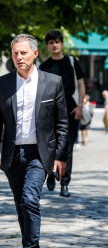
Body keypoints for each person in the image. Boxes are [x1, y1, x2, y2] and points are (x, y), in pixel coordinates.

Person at [0, 34, 68, 248]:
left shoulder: (52, 82)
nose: (19, 58)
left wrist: (60, 157)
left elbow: (62, 123)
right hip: (13, 155)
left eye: (23, 53)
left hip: (39, 154)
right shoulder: (3, 84)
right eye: (15, 54)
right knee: (21, 207)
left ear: (34, 54)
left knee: (30, 200)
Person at [39, 30, 85, 197]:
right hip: (50, 112)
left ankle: (65, 183)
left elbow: (81, 85)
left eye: (57, 41)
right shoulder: (43, 67)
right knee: (50, 146)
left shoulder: (72, 62)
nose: (54, 45)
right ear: (48, 45)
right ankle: (51, 174)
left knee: (67, 148)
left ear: (62, 44)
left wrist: (80, 106)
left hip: (71, 110)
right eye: (51, 42)